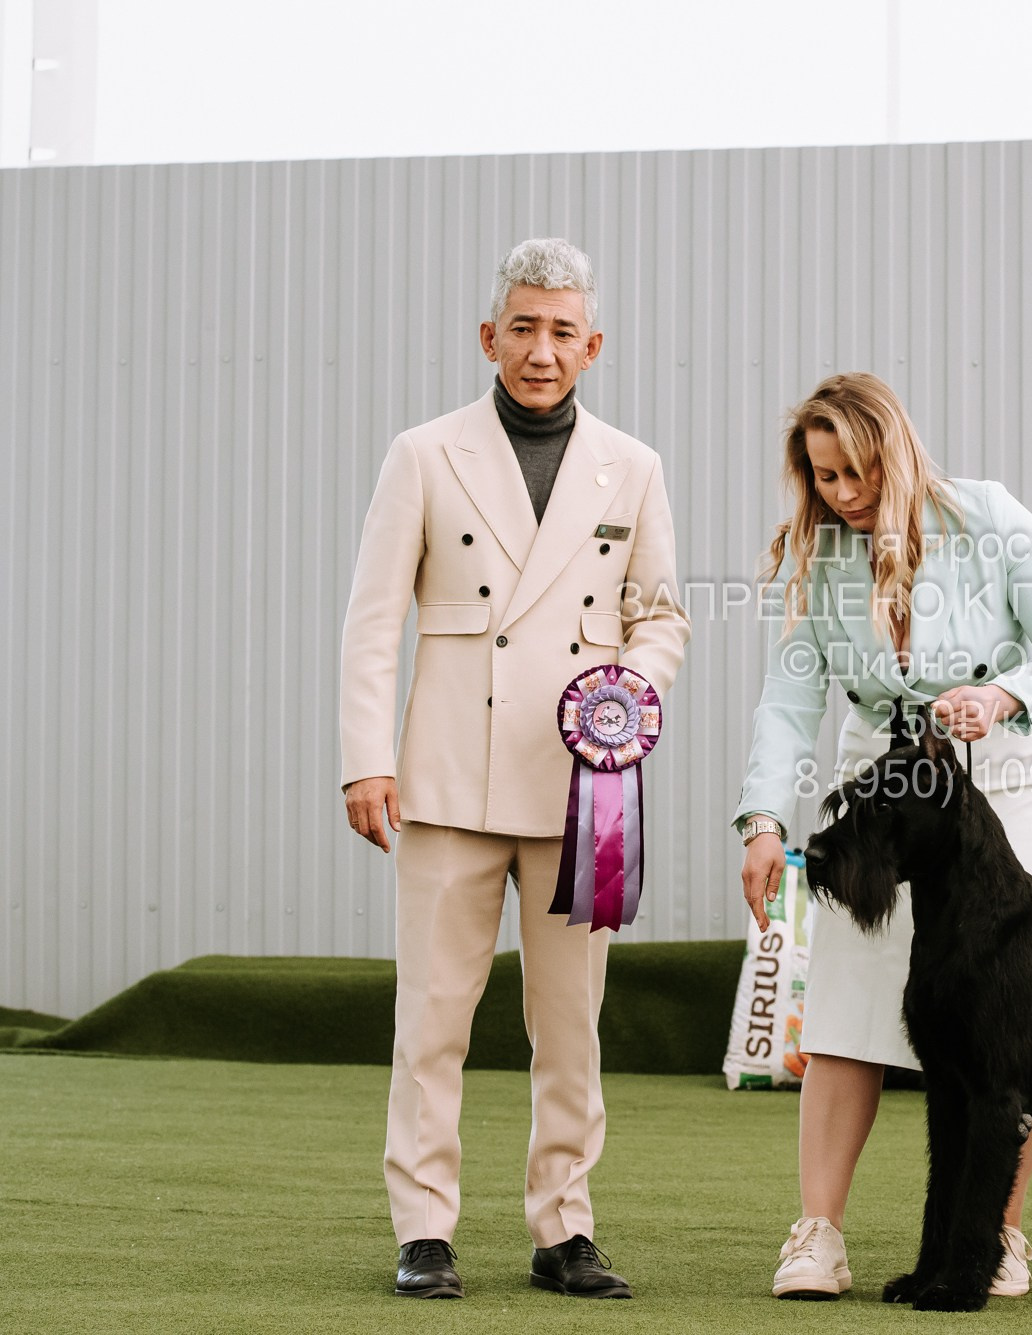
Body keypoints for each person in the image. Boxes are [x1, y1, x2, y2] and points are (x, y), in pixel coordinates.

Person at [340, 238, 691, 1300]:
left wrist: (627, 696)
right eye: (524, 328)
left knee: (570, 1028)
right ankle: (424, 1231)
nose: (542, 351)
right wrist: (365, 760)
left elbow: (661, 616)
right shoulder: (423, 454)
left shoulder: (633, 466)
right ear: (489, 336)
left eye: (562, 331)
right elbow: (372, 622)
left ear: (594, 345)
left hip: (580, 791)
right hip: (445, 782)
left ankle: (563, 1229)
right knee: (431, 1020)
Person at [734, 372, 1032, 1300]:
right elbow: (790, 700)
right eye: (824, 477)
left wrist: (1002, 693)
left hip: (1004, 774)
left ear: (895, 453)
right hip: (883, 781)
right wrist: (765, 820)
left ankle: (997, 1234)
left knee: (1008, 1015)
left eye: (857, 472)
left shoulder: (989, 517)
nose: (843, 494)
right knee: (846, 1006)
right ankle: (818, 1232)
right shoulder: (819, 554)